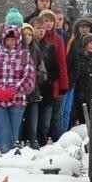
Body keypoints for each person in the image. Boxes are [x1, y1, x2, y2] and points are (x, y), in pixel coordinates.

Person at [0, 25, 35, 153]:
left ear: (18, 40)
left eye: (13, 39)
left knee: (13, 133)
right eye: (8, 39)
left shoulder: (24, 54)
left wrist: (14, 89)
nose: (10, 42)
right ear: (3, 39)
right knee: (2, 129)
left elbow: (29, 77)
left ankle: (10, 158)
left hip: (17, 99)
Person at [39, 9, 69, 141]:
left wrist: (64, 85)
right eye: (46, 20)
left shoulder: (58, 39)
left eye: (52, 20)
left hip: (55, 84)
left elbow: (62, 63)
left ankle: (55, 142)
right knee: (41, 118)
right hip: (39, 84)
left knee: (55, 117)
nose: (49, 23)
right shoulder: (38, 38)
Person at [31, 16, 60, 145]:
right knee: (32, 124)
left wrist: (48, 81)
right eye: (38, 28)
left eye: (43, 28)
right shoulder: (28, 47)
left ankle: (42, 146)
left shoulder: (50, 47)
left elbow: (56, 68)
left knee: (45, 124)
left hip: (47, 91)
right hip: (32, 91)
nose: (41, 31)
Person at [21, 22, 46, 149]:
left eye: (30, 34)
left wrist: (33, 76)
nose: (27, 37)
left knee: (32, 126)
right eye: (24, 34)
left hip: (34, 94)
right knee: (20, 124)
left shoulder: (36, 51)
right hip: (19, 95)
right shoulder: (16, 51)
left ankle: (31, 147)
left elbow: (43, 73)